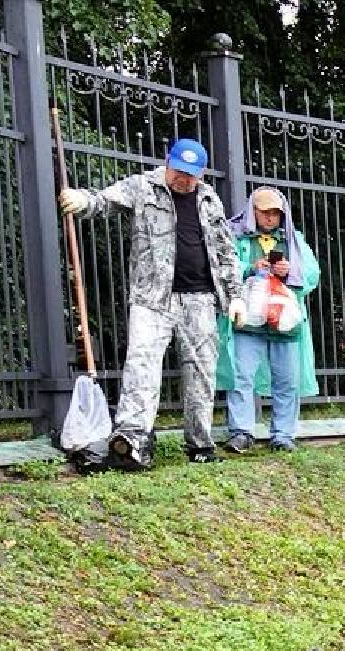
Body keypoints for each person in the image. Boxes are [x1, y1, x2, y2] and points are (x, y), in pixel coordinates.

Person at [58, 138, 245, 469]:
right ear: (168, 162)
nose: (182, 179)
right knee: (141, 367)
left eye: (190, 174)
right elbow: (104, 201)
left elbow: (225, 251)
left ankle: (200, 444)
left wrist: (236, 297)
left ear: (201, 173)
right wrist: (82, 200)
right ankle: (132, 442)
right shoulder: (142, 187)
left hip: (200, 299)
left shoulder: (209, 200)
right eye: (178, 171)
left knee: (201, 373)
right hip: (151, 299)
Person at [216, 187, 321, 452]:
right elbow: (221, 269)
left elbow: (312, 273)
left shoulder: (293, 240)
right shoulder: (235, 236)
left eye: (275, 213)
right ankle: (241, 432)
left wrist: (290, 271)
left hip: (285, 322)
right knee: (241, 377)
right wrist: (250, 269)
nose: (270, 217)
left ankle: (283, 436)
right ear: (253, 212)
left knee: (287, 380)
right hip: (247, 322)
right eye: (264, 212)